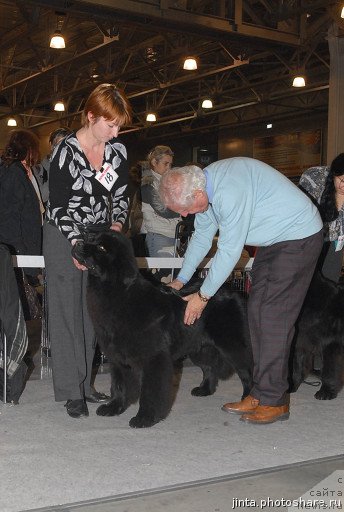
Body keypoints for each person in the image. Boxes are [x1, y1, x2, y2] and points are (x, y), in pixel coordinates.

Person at [158, 158, 323, 425]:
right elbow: (201, 238)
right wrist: (181, 279)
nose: (185, 215)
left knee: (273, 317)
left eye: (185, 209)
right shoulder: (204, 189)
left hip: (299, 236)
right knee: (256, 313)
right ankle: (260, 392)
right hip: (275, 240)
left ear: (197, 194)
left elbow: (229, 251)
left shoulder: (228, 191)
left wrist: (202, 297)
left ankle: (274, 401)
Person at [43, 83, 132, 418]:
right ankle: (71, 391)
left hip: (97, 237)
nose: (116, 131)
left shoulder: (117, 152)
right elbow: (57, 206)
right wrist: (75, 244)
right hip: (62, 235)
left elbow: (122, 196)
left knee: (92, 312)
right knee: (67, 313)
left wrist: (117, 227)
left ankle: (85, 384)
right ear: (91, 115)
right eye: (110, 124)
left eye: (120, 125)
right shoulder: (65, 152)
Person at [0, 129, 43, 284]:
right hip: (19, 254)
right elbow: (9, 217)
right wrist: (20, 252)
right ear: (29, 149)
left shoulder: (13, 170)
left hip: (19, 251)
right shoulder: (14, 173)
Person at [299, 153, 344, 283]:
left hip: (334, 246)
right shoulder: (315, 177)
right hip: (307, 240)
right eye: (340, 179)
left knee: (328, 284)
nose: (342, 186)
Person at [141, 145, 180, 281]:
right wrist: (184, 208)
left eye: (170, 164)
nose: (169, 167)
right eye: (165, 163)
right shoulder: (148, 184)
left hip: (171, 233)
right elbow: (164, 210)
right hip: (159, 235)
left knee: (172, 279)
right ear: (154, 162)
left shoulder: (165, 181)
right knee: (163, 281)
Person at [33, 127, 72, 206]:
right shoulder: (38, 170)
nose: (63, 150)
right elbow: (41, 197)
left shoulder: (76, 168)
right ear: (52, 146)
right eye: (59, 145)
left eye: (67, 145)